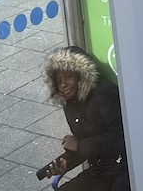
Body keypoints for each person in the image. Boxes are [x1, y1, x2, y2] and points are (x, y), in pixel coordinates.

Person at [39, 46, 129, 191]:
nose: (63, 84)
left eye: (68, 77)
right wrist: (65, 163)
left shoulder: (105, 95)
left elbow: (121, 139)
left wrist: (80, 146)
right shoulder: (70, 102)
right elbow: (84, 144)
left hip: (125, 170)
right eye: (58, 81)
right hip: (100, 171)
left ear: (81, 75)